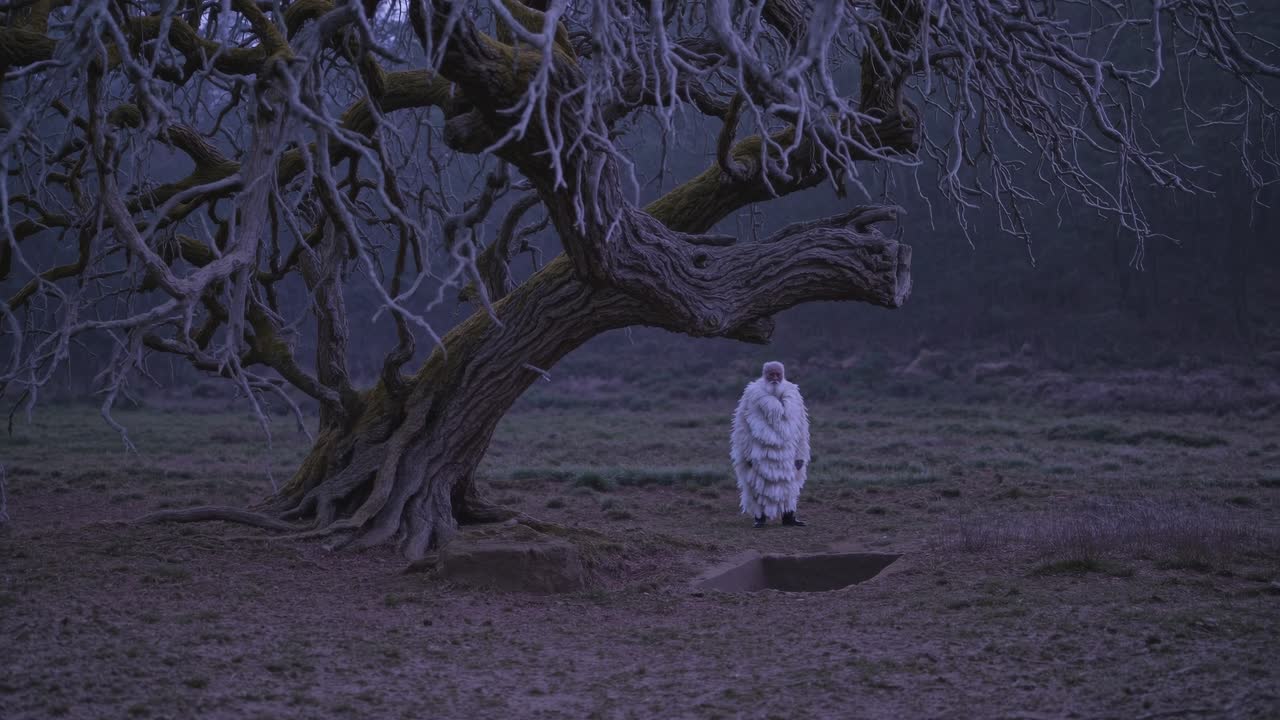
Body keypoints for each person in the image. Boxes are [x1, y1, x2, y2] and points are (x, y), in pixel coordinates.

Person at [730, 361, 810, 528]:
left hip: (788, 448)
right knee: (758, 483)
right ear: (764, 374)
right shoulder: (752, 394)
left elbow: (803, 426)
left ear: (783, 375)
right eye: (770, 374)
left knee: (789, 483)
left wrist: (801, 453)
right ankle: (760, 518)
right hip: (760, 449)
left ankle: (788, 517)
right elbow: (742, 426)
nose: (774, 378)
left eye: (777, 374)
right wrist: (745, 453)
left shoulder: (793, 393)